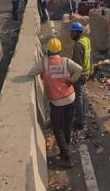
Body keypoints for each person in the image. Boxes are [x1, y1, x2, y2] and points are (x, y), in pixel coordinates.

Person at [29, 37, 82, 168]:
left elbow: (31, 73)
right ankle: (66, 148)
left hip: (57, 102)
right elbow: (79, 69)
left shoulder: (45, 63)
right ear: (60, 49)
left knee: (57, 127)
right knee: (67, 125)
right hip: (70, 98)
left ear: (48, 50)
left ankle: (67, 154)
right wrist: (71, 80)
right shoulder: (65, 61)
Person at [70, 22, 92, 130]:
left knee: (78, 97)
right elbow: (88, 57)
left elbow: (77, 65)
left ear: (77, 33)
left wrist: (71, 77)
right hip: (86, 73)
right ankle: (82, 115)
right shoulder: (86, 40)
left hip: (80, 74)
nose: (70, 34)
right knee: (81, 95)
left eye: (72, 32)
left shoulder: (78, 45)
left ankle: (79, 122)